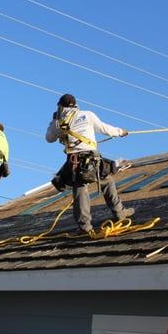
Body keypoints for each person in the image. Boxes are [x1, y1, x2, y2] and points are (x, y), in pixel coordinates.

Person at [46, 93, 134, 234]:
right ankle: (120, 213)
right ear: (75, 105)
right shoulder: (87, 115)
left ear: (61, 106)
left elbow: (49, 138)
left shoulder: (59, 122)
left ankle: (85, 227)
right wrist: (121, 132)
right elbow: (105, 129)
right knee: (107, 181)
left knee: (80, 191)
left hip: (74, 161)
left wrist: (53, 121)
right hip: (92, 158)